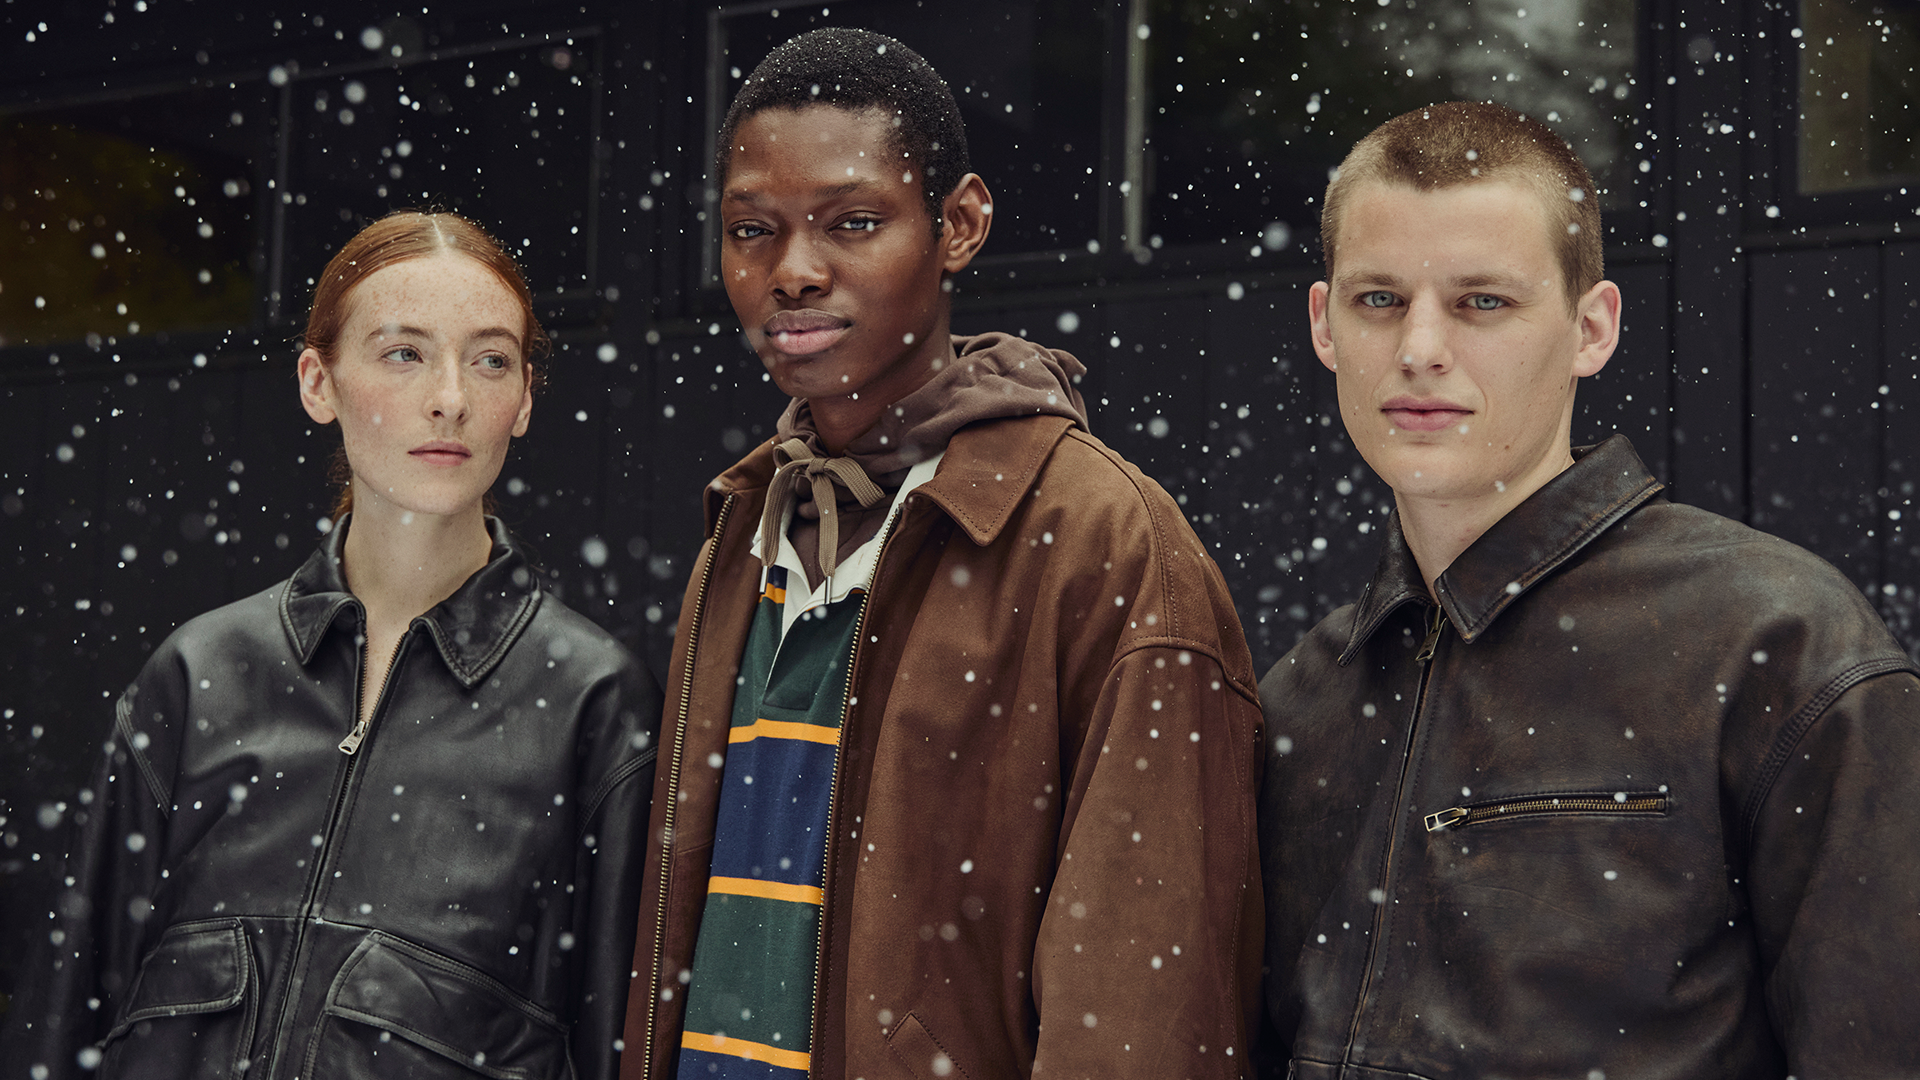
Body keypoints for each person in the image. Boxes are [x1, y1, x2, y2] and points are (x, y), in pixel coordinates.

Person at [620, 27, 1264, 1080]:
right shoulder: (742, 529)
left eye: (854, 223)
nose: (793, 272)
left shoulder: (1109, 545)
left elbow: (1143, 1022)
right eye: (752, 231)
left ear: (959, 225)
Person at [1257, 100, 1920, 1078]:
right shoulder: (1295, 704)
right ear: (1324, 325)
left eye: (1484, 301)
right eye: (1380, 300)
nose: (1420, 349)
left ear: (1592, 328)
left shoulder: (1778, 643)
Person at [9, 211, 661, 1080]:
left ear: (526, 399)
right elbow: (73, 1015)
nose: (451, 397)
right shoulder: (199, 675)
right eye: (404, 352)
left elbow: (618, 1044)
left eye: (491, 358)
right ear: (319, 382)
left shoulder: (593, 701)